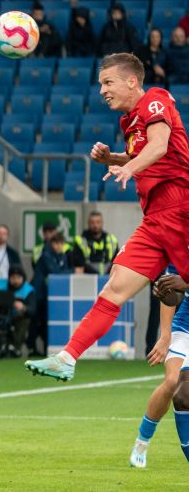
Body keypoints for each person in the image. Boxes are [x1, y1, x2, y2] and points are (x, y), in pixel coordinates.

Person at [26, 53, 189, 382]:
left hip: (182, 209)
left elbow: (158, 147)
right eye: (101, 84)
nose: (102, 90)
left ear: (132, 81)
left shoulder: (155, 99)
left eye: (108, 82)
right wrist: (112, 158)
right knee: (114, 288)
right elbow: (142, 151)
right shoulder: (128, 121)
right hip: (156, 220)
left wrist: (128, 167)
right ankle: (68, 357)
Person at [128, 265, 187, 468]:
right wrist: (165, 336)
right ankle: (141, 444)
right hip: (185, 328)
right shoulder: (181, 248)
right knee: (173, 383)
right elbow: (169, 292)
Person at [29, 232, 72, 356]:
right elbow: (56, 272)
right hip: (38, 293)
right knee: (36, 321)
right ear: (52, 244)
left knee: (44, 321)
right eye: (57, 243)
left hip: (49, 294)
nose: (59, 246)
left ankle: (44, 348)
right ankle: (32, 346)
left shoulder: (61, 256)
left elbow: (62, 271)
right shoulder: (46, 255)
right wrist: (73, 270)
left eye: (61, 244)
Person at [0, 264, 35, 357]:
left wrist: (23, 307)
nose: (15, 281)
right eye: (13, 277)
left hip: (15, 318)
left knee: (24, 320)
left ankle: (15, 347)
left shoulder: (28, 290)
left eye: (18, 278)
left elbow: (33, 309)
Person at [72, 211, 119, 275]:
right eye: (92, 222)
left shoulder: (112, 240)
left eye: (98, 222)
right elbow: (78, 266)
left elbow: (117, 263)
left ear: (102, 223)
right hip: (88, 279)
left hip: (108, 278)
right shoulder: (80, 241)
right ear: (88, 223)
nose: (95, 225)